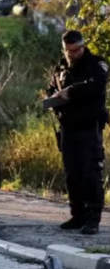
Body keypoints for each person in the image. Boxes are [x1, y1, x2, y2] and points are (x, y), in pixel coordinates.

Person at [46, 30, 110, 235]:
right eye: (67, 51)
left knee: (91, 174)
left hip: (89, 128)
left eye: (74, 51)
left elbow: (97, 85)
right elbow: (50, 88)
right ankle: (77, 215)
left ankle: (92, 219)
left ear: (82, 47)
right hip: (68, 128)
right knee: (72, 173)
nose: (71, 55)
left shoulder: (96, 65)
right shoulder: (60, 68)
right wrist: (52, 99)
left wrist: (71, 91)